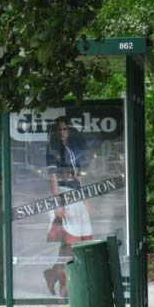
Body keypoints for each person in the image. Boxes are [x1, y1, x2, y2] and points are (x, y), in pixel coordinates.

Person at [43, 117, 92, 297]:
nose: (62, 133)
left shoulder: (73, 149)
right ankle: (64, 283)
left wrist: (85, 198)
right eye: (59, 130)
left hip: (76, 196)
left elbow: (79, 176)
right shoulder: (52, 148)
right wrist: (58, 203)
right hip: (63, 196)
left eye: (65, 129)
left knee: (71, 241)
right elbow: (53, 176)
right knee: (69, 241)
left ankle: (55, 275)